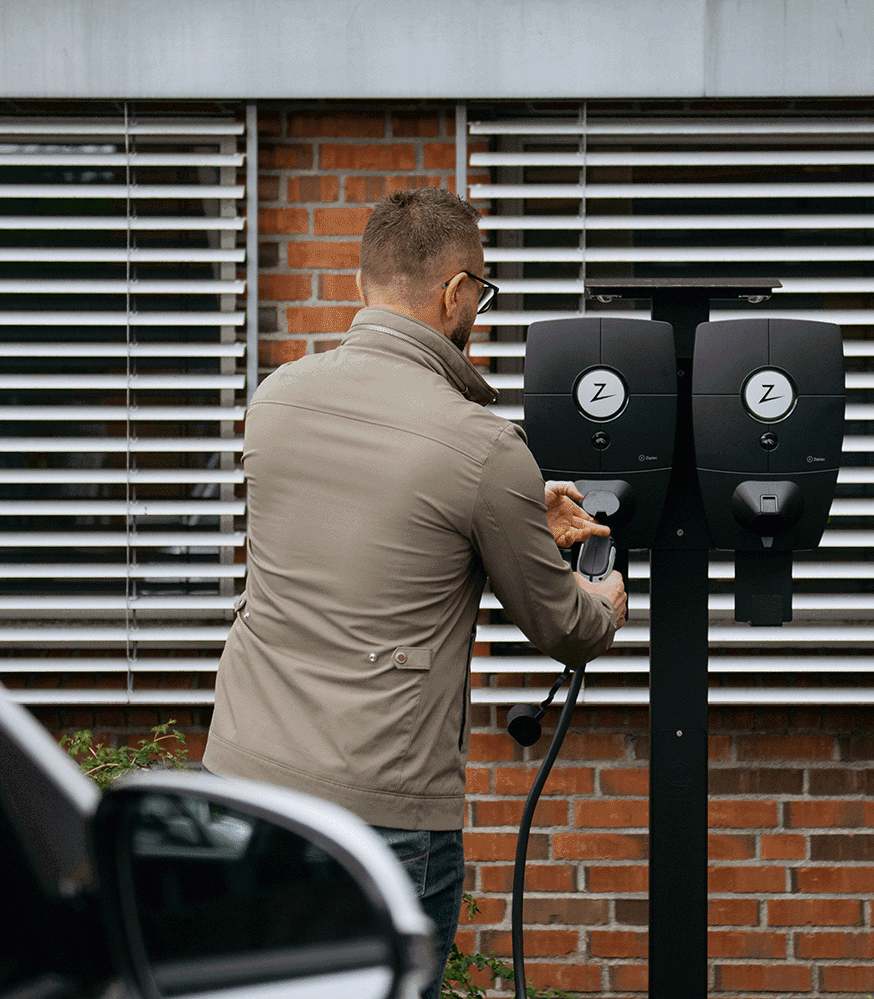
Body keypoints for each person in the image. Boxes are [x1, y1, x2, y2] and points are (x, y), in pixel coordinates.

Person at [203, 186, 627, 998]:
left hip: (243, 786)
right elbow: (566, 628)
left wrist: (511, 508)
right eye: (483, 292)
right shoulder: (482, 446)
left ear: (368, 281)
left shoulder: (276, 401)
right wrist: (607, 591)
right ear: (456, 291)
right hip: (381, 818)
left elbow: (361, 526)